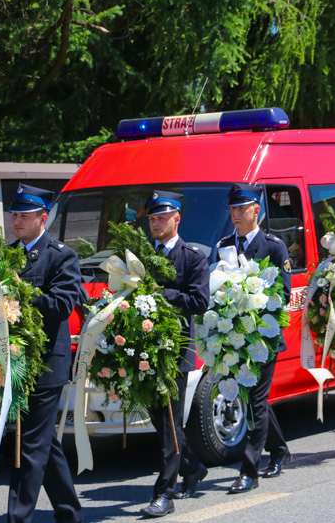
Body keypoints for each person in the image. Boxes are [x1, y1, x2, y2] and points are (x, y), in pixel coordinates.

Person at [8, 184, 83, 523]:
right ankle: (69, 512)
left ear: (43, 217)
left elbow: (62, 304)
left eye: (24, 215)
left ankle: (17, 517)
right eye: (15, 215)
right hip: (13, 361)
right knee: (42, 442)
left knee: (29, 445)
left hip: (46, 364)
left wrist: (20, 294)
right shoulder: (6, 255)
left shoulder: (60, 255)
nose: (17, 221)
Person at [213, 183, 292, 492]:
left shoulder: (274, 246)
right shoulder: (224, 244)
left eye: (241, 208)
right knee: (251, 400)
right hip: (233, 338)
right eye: (232, 209)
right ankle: (281, 450)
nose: (235, 214)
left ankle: (249, 470)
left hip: (262, 338)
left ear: (256, 210)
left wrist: (250, 295)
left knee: (255, 401)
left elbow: (282, 293)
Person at [140, 190, 210, 518]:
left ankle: (164, 493)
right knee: (159, 419)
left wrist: (162, 293)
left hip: (175, 351)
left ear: (176, 218)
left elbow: (199, 301)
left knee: (168, 423)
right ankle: (192, 467)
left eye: (162, 217)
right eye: (152, 218)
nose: (156, 223)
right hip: (142, 352)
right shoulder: (140, 255)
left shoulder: (192, 256)